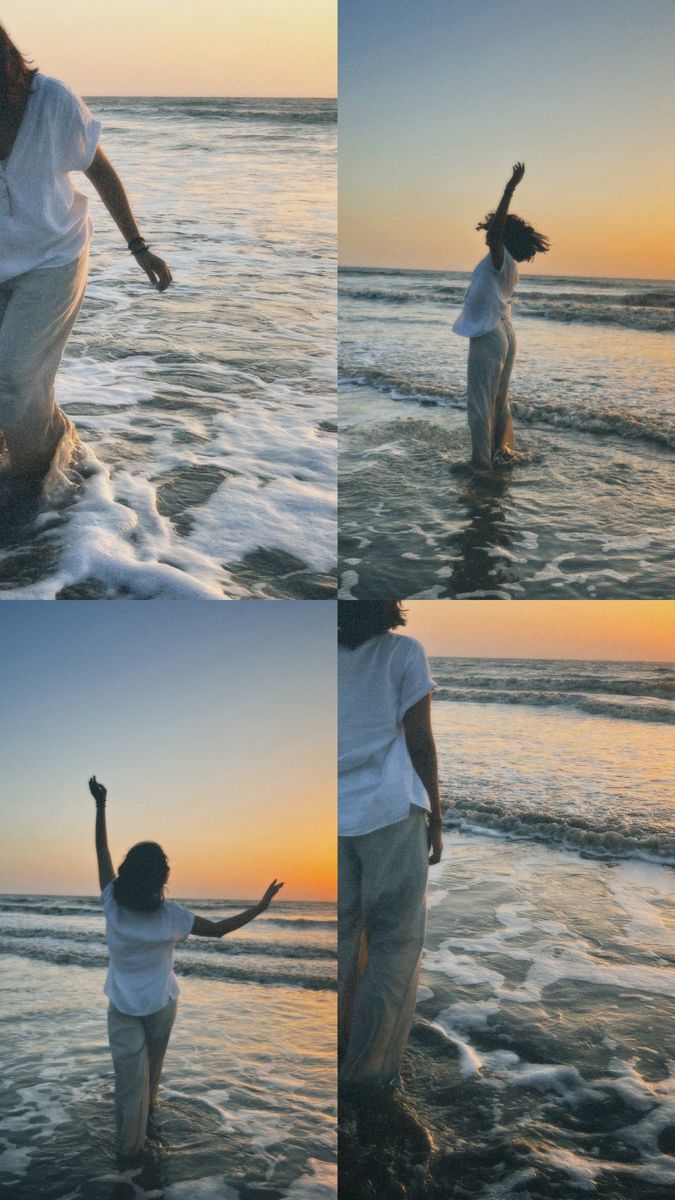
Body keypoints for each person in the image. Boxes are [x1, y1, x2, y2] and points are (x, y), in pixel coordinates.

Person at [0, 24, 172, 480]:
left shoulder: (51, 102)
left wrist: (138, 246)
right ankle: (35, 458)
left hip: (52, 257)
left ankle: (40, 486)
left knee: (17, 382)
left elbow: (98, 167)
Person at [89, 775, 283, 1159]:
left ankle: (132, 1157)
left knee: (133, 1084)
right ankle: (141, 1140)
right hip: (161, 1005)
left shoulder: (112, 899)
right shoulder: (172, 916)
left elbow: (100, 850)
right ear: (161, 880)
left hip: (130, 1008)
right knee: (147, 1079)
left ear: (127, 872)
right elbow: (220, 931)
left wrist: (100, 806)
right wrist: (260, 908)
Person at [337, 601, 442, 1138]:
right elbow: (419, 740)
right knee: (395, 944)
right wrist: (437, 817)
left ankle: (336, 1046)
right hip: (389, 809)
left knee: (343, 940)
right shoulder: (403, 652)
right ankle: (369, 1076)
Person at [453, 162, 550, 470]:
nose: (491, 234)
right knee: (499, 401)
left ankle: (481, 465)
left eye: (497, 232)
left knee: (480, 404)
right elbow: (495, 231)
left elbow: (494, 232)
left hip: (490, 333)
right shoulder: (509, 265)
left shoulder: (500, 258)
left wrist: (510, 187)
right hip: (505, 331)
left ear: (503, 236)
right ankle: (503, 453)